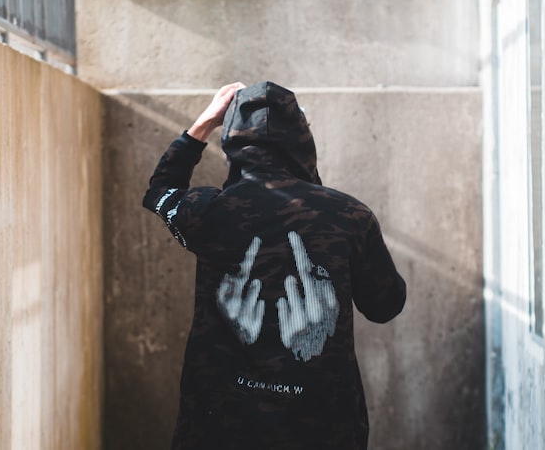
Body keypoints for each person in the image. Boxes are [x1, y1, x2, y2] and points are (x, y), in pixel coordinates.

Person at [142, 80, 407, 450]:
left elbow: (160, 191)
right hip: (325, 429)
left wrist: (202, 125)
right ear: (302, 140)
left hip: (218, 427)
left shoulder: (208, 211)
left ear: (232, 141)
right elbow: (385, 305)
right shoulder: (349, 215)